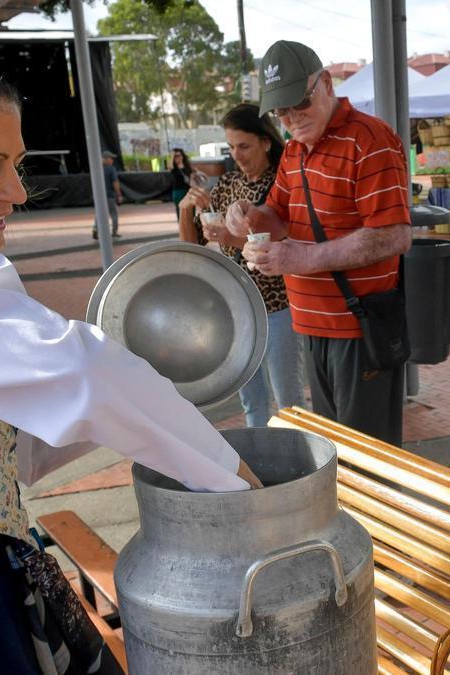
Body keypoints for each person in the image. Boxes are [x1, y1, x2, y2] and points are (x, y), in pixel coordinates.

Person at [0, 45, 260, 675]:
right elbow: (85, 373)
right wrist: (241, 486)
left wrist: (123, 406)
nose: (15, 191)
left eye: (16, 164)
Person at [228, 40, 411, 446]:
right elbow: (276, 215)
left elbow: (394, 235)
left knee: (369, 459)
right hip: (312, 325)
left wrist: (305, 257)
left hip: (358, 327)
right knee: (337, 452)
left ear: (326, 83)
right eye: (281, 111)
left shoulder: (370, 140)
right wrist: (247, 216)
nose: (292, 118)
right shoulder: (294, 151)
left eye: (300, 103)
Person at [178, 104, 306, 428]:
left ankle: (303, 464)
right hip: (239, 308)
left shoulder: (284, 182)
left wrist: (232, 239)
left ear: (266, 141)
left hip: (279, 306)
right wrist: (186, 210)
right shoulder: (227, 185)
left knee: (289, 400)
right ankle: (261, 462)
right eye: (232, 147)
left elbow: (282, 243)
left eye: (244, 146)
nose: (237, 154)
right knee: (252, 400)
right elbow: (192, 248)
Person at [93, 149, 122, 239]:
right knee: (113, 213)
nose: (112, 160)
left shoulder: (97, 168)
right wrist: (119, 194)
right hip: (109, 195)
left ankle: (95, 230)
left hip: (98, 196)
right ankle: (114, 231)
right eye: (111, 158)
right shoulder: (111, 169)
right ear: (105, 159)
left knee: (99, 213)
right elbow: (115, 182)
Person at [169, 147, 192, 218]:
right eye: (175, 156)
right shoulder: (173, 168)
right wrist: (172, 155)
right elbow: (169, 166)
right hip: (178, 192)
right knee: (180, 210)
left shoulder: (187, 166)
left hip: (188, 190)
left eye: (179, 155)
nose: (177, 158)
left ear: (182, 156)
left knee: (190, 209)